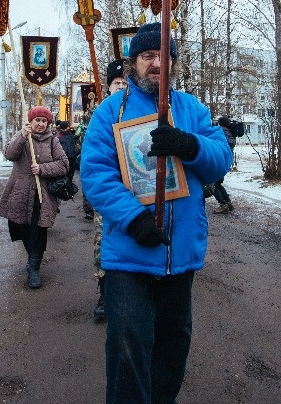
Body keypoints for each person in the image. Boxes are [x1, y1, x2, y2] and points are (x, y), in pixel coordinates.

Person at [81, 22, 233, 404]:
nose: (156, 64)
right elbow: (96, 174)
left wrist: (188, 144)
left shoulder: (192, 110)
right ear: (134, 63)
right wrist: (133, 219)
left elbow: (219, 162)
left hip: (179, 252)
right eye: (148, 56)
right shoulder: (109, 112)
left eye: (165, 57)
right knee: (128, 341)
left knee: (173, 343)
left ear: (175, 65)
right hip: (131, 253)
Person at [0, 106, 69, 289]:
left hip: (42, 194)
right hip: (20, 191)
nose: (40, 124)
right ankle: (32, 257)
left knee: (39, 230)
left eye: (44, 121)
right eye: (37, 120)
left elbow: (64, 164)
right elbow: (9, 154)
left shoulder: (53, 141)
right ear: (31, 121)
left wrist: (42, 169)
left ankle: (33, 268)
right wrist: (21, 135)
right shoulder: (22, 137)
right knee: (21, 227)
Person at [87, 58, 130, 322]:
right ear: (109, 86)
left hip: (137, 187)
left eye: (126, 82)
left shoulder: (140, 110)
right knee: (104, 238)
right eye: (117, 83)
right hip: (109, 189)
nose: (122, 87)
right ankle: (105, 292)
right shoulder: (102, 114)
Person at [209, 116, 240, 214]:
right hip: (227, 161)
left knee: (212, 183)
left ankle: (223, 204)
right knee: (218, 182)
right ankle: (228, 202)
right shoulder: (231, 132)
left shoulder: (221, 133)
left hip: (219, 160)